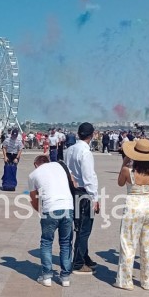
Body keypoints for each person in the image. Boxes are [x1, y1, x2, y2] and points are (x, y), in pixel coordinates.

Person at [115, 139, 149, 290]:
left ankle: (125, 281)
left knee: (128, 244)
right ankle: (148, 281)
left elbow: (120, 183)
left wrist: (125, 161)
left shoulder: (128, 171)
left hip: (133, 207)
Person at [28, 155, 75, 287]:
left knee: (47, 242)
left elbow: (33, 198)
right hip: (68, 206)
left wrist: (40, 211)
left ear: (36, 164)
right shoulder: (60, 166)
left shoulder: (33, 175)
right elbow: (74, 182)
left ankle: (47, 276)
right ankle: (65, 277)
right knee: (66, 242)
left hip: (50, 209)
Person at [66, 123, 100, 275]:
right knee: (84, 228)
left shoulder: (70, 149)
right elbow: (89, 177)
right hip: (84, 193)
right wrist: (95, 197)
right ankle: (78, 262)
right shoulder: (85, 153)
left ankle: (84, 256)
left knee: (79, 225)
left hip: (73, 191)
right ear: (91, 135)